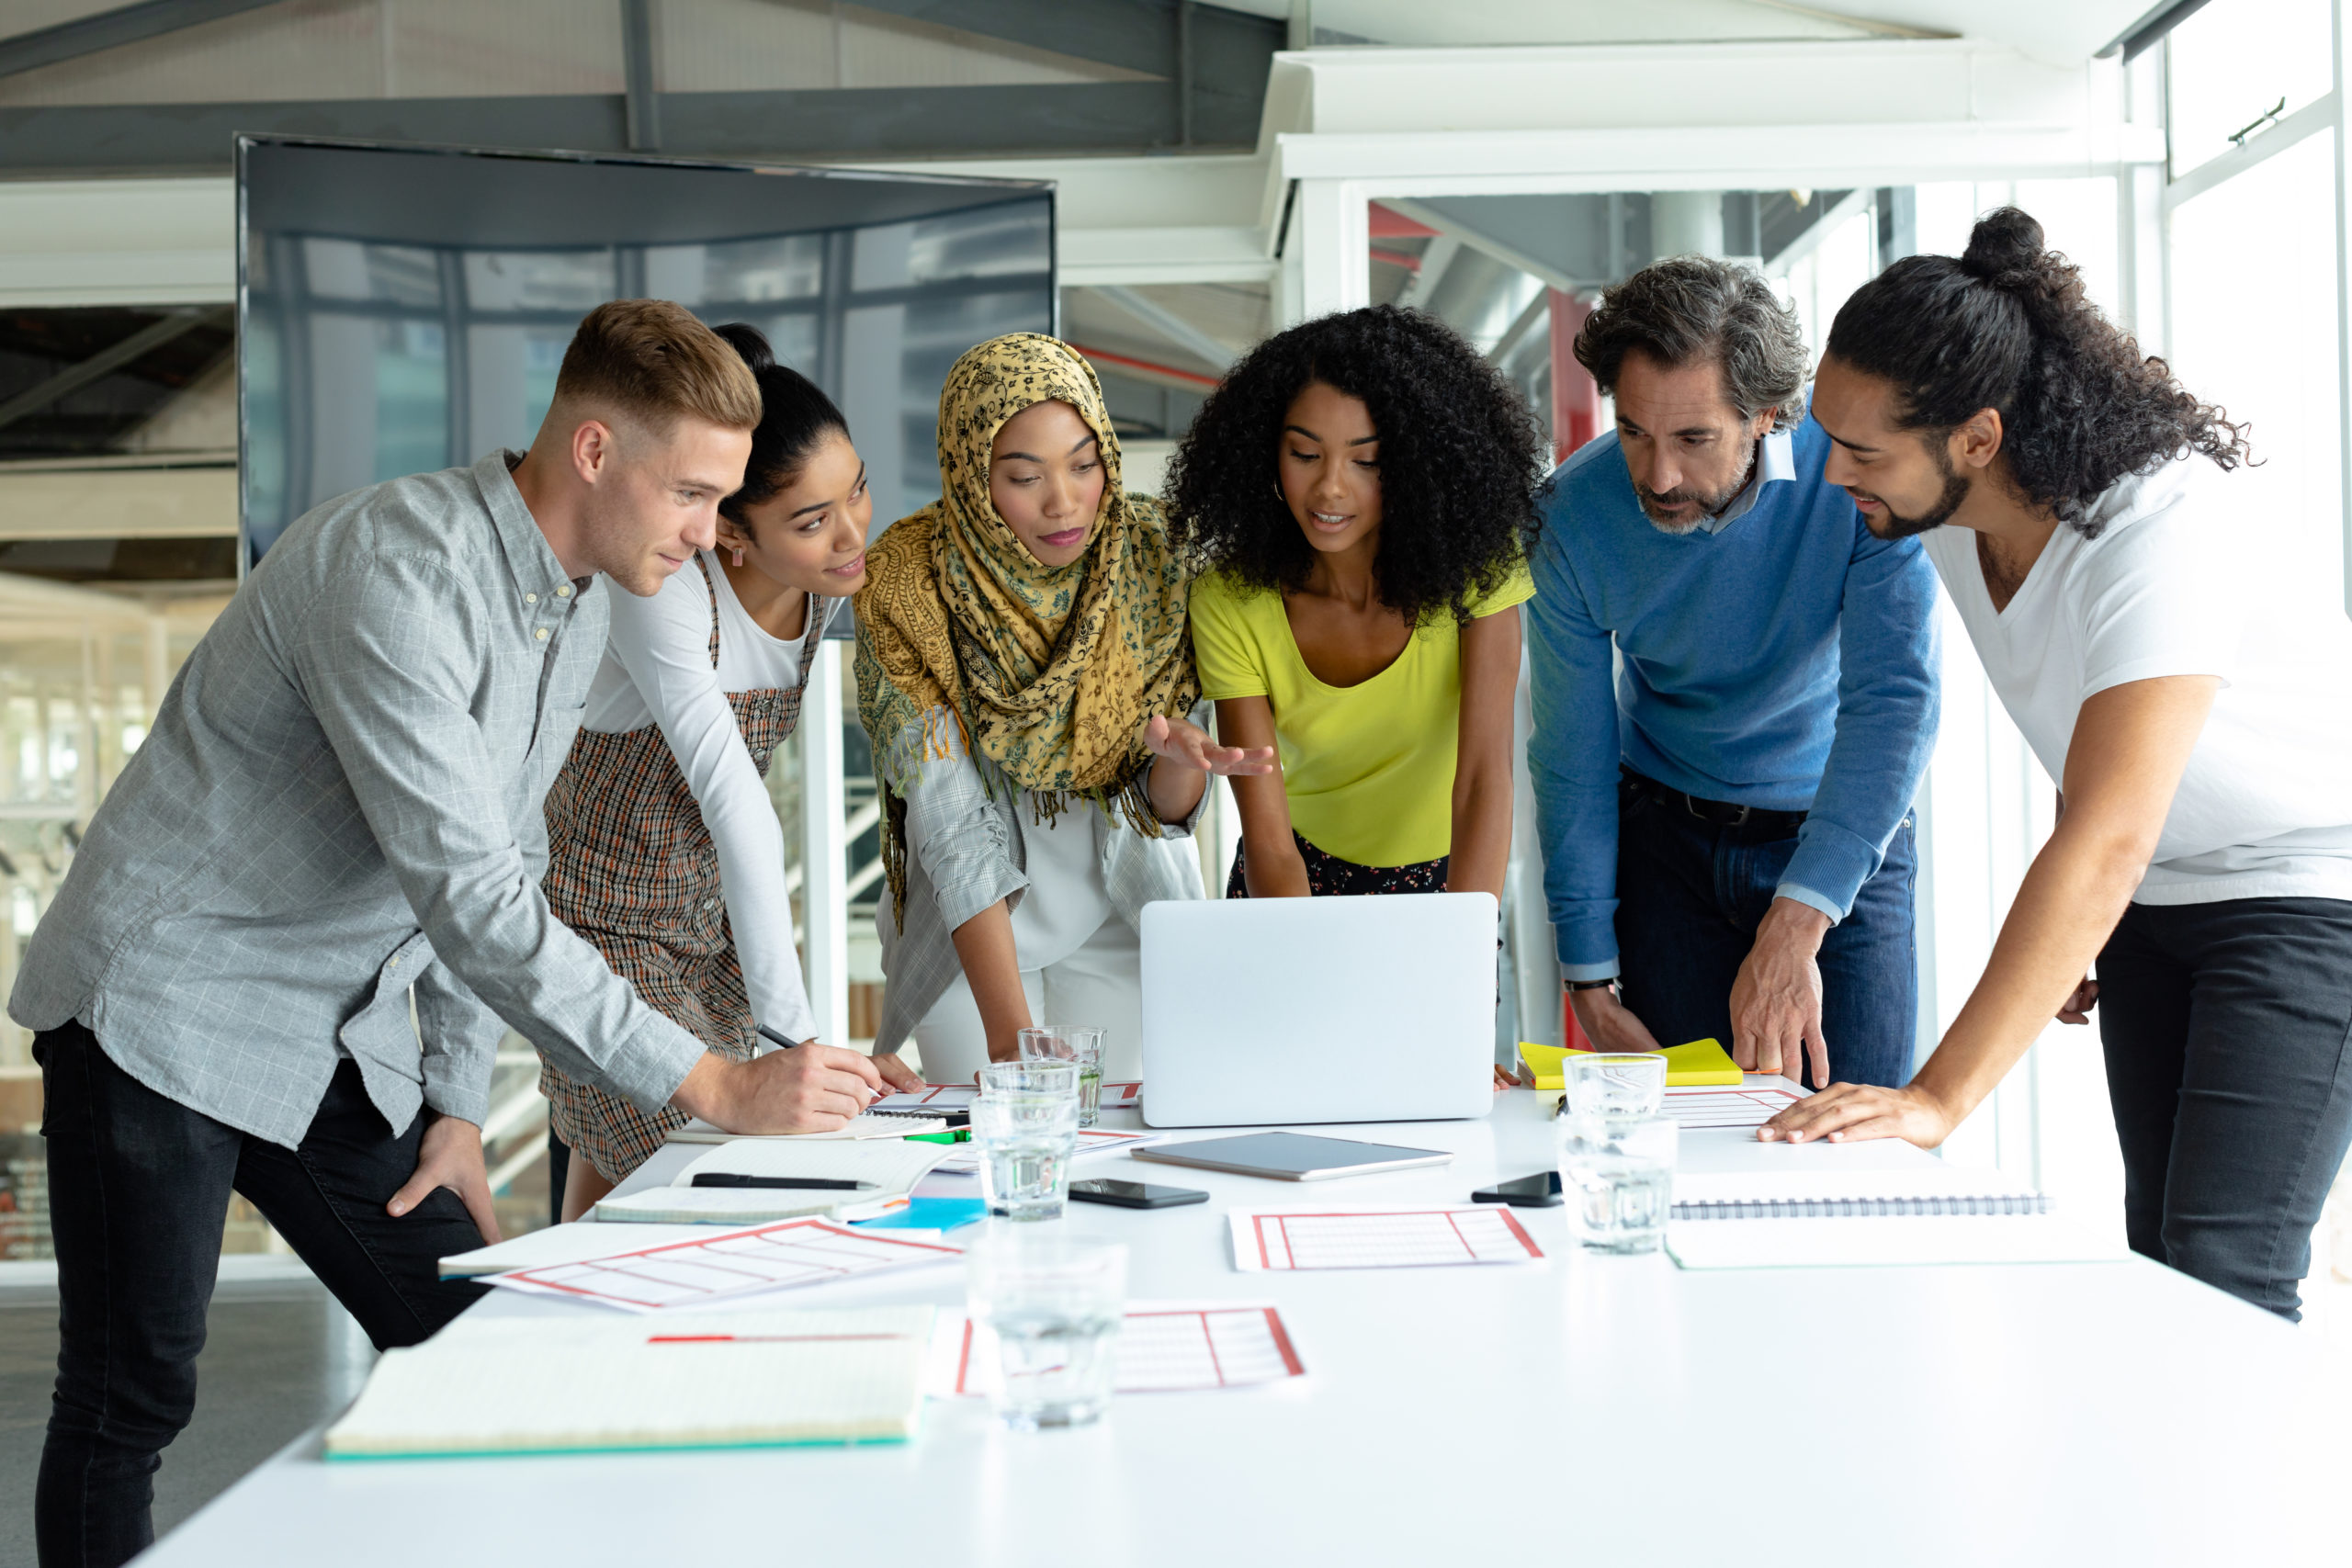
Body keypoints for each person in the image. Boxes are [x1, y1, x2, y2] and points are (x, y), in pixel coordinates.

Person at [8, 299, 888, 1567]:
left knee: (483, 1337)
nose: (709, 537)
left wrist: (458, 1104)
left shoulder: (582, 598)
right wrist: (714, 1081)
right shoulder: (397, 569)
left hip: (330, 1031)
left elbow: (514, 854)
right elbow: (470, 893)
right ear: (595, 452)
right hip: (164, 1002)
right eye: (693, 496)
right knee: (130, 1396)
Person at [1765, 208, 2352, 1320]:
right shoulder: (1935, 513)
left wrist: (1934, 1100)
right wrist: (2086, 920)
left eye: (1861, 449)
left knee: (2227, 1265)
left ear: (1976, 438)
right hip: (2160, 888)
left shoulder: (2155, 526)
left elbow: (2108, 832)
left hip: (2308, 883)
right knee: (2165, 1261)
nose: (1830, 469)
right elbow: (2093, 732)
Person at [537, 323, 923, 1222]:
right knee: (708, 1164)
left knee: (653, 1171)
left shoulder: (827, 587)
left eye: (856, 491)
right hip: (598, 928)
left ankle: (585, 1328)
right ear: (730, 535)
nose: (851, 534)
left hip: (699, 925)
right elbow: (736, 803)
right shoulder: (668, 590)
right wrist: (800, 1047)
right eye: (810, 520)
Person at [1525, 257, 1939, 1089]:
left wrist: (1801, 916)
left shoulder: (1858, 479)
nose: (1658, 475)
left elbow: (1894, 701)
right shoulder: (1571, 516)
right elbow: (1572, 751)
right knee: (1689, 1149)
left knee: (1852, 1137)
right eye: (1635, 430)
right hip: (1667, 848)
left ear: (1768, 415)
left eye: (1693, 439)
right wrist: (1590, 978)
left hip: (1841, 836)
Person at [855, 333, 1268, 1086]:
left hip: (1120, 907)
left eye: (1085, 465)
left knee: (1108, 1140)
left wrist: (1177, 765)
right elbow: (951, 831)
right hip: (963, 933)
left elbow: (1163, 813)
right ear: (972, 476)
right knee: (995, 1136)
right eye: (1023, 476)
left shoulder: (1152, 555)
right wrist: (1013, 1042)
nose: (1064, 502)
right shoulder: (906, 586)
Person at [1168, 305, 1541, 908]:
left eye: (1366, 461)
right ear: (1267, 453)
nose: (1331, 488)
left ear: (1417, 465)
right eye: (1305, 454)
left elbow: (1482, 782)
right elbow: (1268, 837)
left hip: (1452, 879)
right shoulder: (1229, 600)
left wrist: (1463, 947)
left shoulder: (1475, 567)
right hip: (1292, 879)